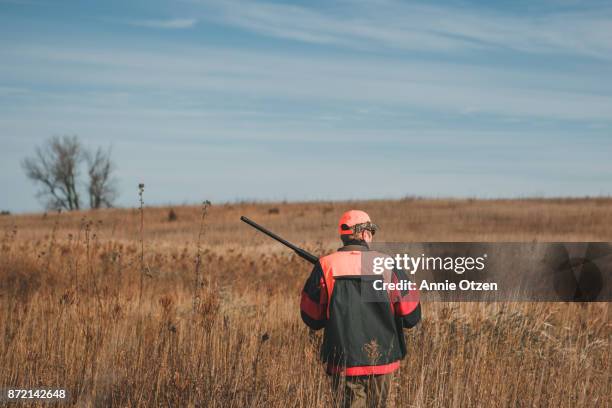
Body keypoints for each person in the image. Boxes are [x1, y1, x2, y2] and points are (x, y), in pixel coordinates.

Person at [300, 210, 421, 408]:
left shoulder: (326, 265)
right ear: (364, 234)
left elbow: (312, 317)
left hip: (343, 362)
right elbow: (411, 315)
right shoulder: (387, 265)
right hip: (383, 361)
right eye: (371, 232)